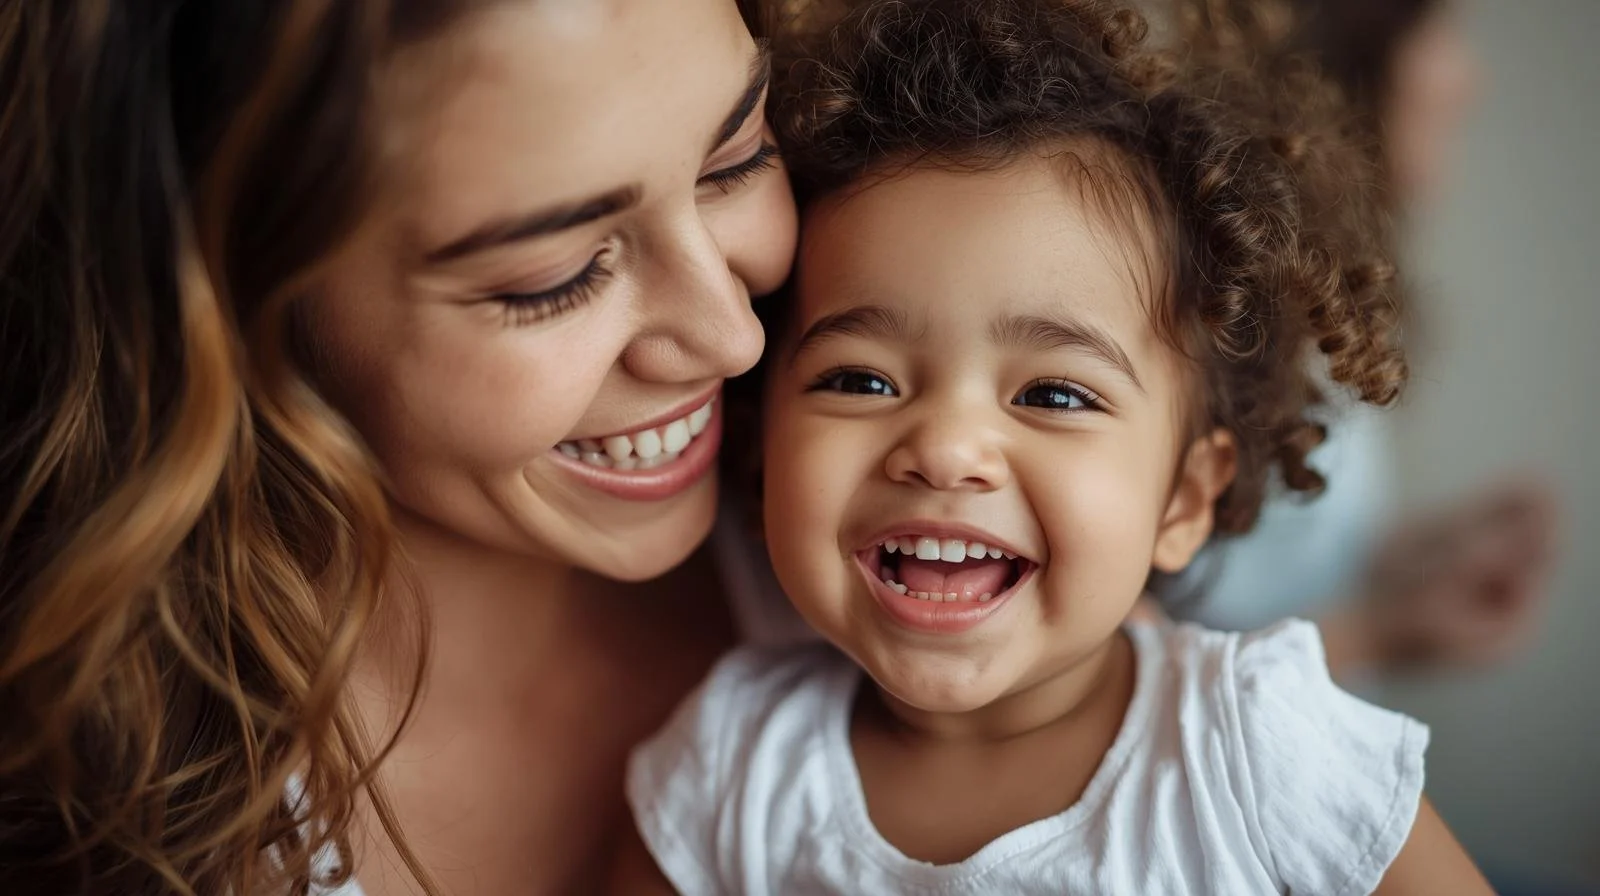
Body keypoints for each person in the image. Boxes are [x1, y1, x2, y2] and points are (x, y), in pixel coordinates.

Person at [612, 0, 1490, 892]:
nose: (946, 449)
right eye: (861, 381)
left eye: (1053, 395)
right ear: (764, 447)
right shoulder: (732, 770)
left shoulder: (1255, 750)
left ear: (1185, 500)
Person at [0, 1, 797, 893]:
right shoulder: (90, 829)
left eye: (736, 158)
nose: (733, 337)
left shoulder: (884, 520)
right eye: (553, 278)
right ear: (228, 293)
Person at [1154, 0, 1555, 678]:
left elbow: (1274, 563)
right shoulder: (1222, 303)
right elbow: (1123, 656)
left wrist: (1429, 559)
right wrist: (1376, 633)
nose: (1468, 77)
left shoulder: (1322, 296)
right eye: (1438, 31)